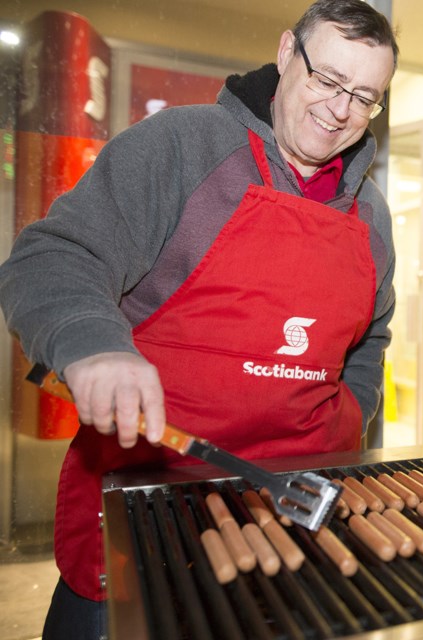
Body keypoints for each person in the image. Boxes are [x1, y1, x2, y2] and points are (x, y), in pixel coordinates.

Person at [0, 1, 398, 637]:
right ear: (286, 53)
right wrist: (93, 345)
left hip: (287, 515)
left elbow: (370, 339)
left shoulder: (371, 216)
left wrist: (352, 411)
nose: (340, 108)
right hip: (147, 508)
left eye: (364, 95)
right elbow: (55, 255)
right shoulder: (183, 146)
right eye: (326, 78)